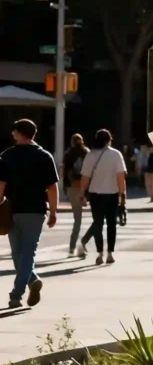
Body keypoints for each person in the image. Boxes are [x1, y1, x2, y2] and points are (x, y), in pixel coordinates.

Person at [0, 118, 58, 308]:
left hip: (12, 209)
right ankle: (32, 281)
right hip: (36, 210)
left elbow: (1, 185)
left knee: (19, 253)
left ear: (18, 133)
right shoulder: (44, 156)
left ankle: (16, 294)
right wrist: (53, 211)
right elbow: (52, 187)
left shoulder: (7, 156)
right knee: (26, 254)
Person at [80, 128, 127, 265]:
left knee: (98, 224)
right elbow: (120, 177)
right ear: (109, 140)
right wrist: (122, 195)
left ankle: (99, 253)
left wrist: (82, 194)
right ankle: (110, 253)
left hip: (95, 195)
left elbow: (85, 177)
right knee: (112, 224)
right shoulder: (116, 154)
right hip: (112, 194)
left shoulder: (90, 155)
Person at [60, 133, 89, 256]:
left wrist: (65, 187)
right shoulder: (87, 152)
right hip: (85, 187)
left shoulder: (68, 154)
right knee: (91, 219)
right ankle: (79, 244)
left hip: (72, 187)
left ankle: (72, 246)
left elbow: (63, 172)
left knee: (77, 219)